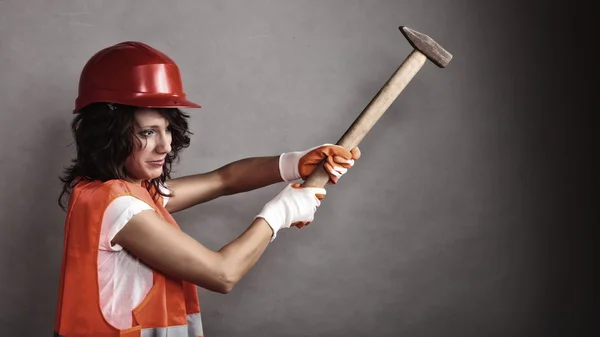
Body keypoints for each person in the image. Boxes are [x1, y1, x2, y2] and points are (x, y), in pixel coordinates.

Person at [53, 41, 361, 337]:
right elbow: (222, 273)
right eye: (148, 132)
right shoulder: (123, 207)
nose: (166, 145)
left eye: (167, 129)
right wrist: (283, 211)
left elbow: (222, 180)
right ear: (107, 135)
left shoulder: (104, 192)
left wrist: (295, 163)